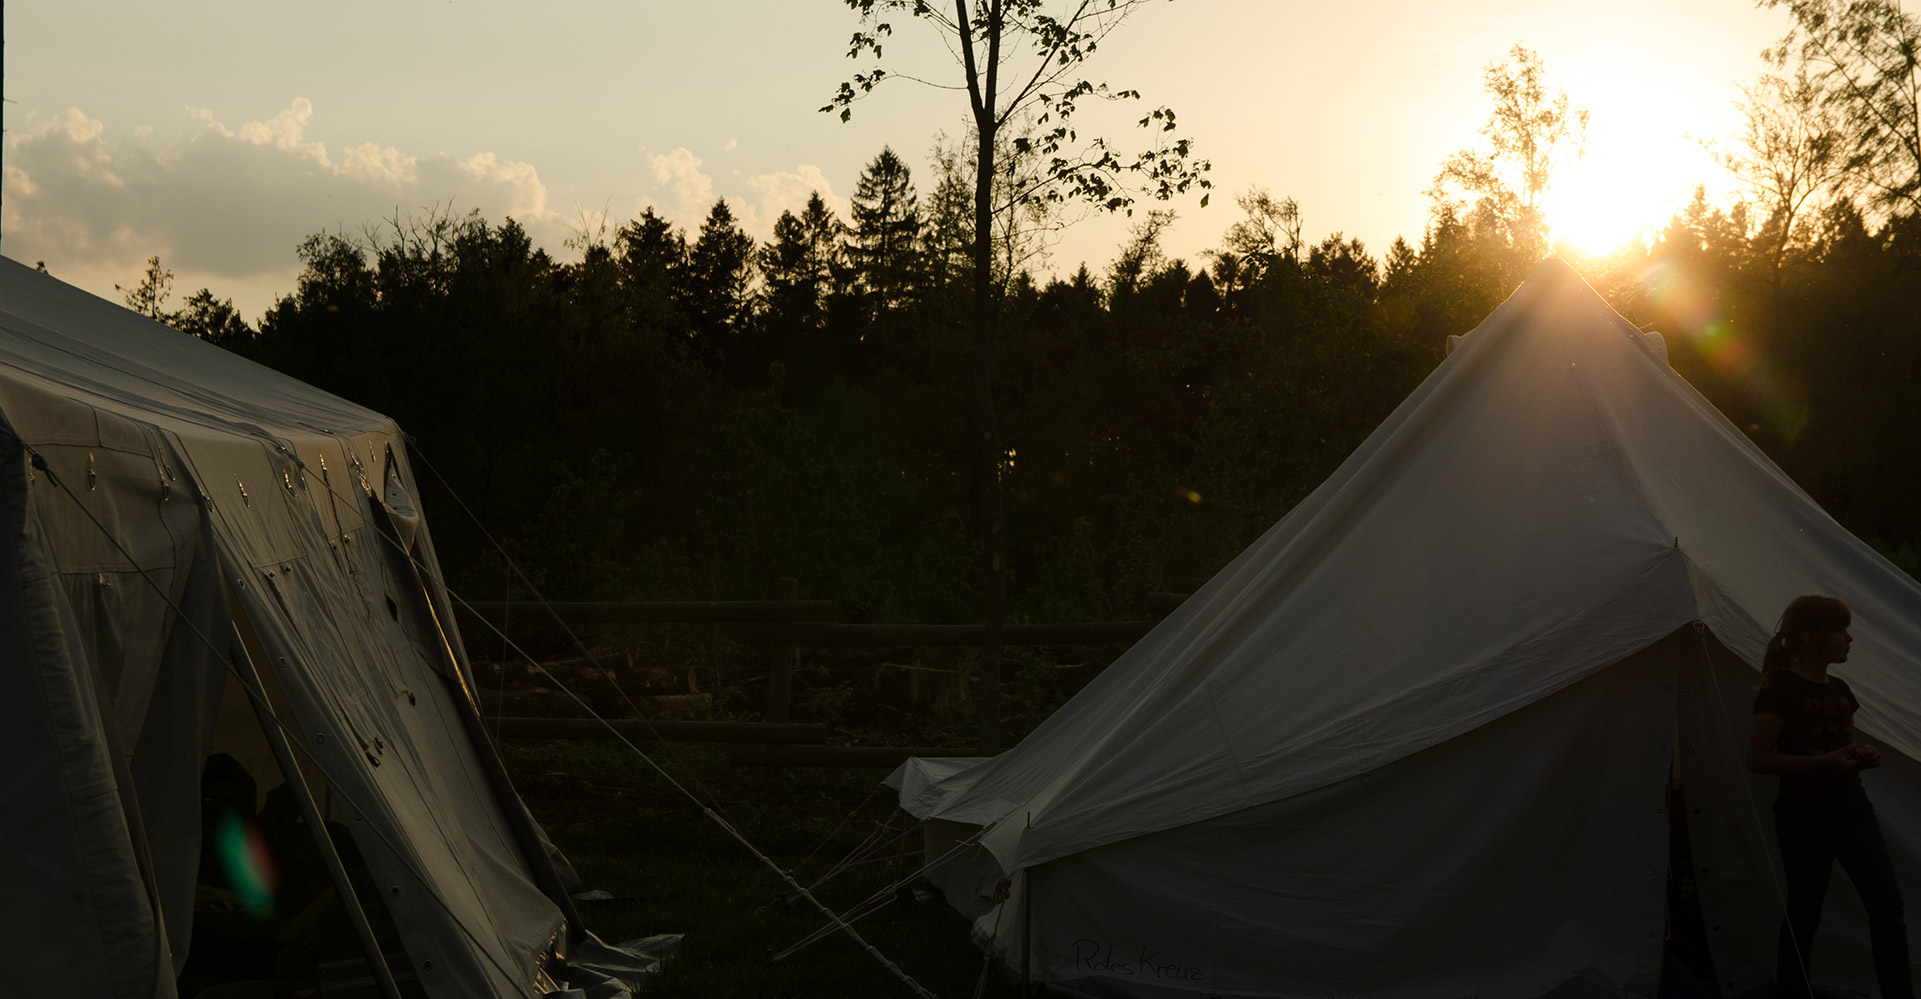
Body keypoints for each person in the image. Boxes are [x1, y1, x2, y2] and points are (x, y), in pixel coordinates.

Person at [1746, 594, 1913, 998]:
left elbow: (1843, 750)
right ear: (1810, 637)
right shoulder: (1779, 691)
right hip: (1804, 819)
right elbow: (1758, 758)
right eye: (1840, 630)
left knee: (1888, 909)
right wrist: (1826, 764)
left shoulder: (1841, 689)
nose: (1849, 639)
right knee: (1804, 913)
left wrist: (1859, 759)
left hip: (1853, 812)